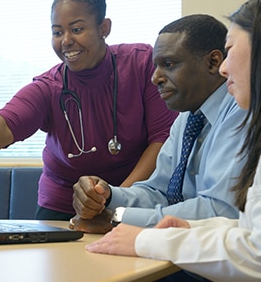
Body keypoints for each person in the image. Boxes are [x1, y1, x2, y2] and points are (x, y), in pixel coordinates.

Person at [85, 0, 261, 282]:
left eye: (231, 50)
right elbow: (253, 228)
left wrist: (143, 238)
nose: (224, 68)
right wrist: (186, 229)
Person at [0, 0, 177, 221]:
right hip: (61, 207)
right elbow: (9, 120)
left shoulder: (141, 64)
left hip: (132, 199)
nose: (66, 40)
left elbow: (162, 139)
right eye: (57, 32)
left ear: (104, 27)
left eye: (77, 29)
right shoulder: (49, 86)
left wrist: (117, 197)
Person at [71, 14, 248, 233]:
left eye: (169, 64)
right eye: (156, 66)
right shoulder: (188, 118)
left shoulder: (240, 110)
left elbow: (219, 209)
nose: (155, 78)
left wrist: (119, 218)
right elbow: (160, 192)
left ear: (213, 62)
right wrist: (107, 195)